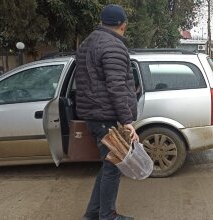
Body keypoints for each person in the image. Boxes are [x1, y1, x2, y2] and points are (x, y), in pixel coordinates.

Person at [75, 4, 138, 220]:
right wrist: (127, 120)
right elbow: (116, 86)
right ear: (123, 26)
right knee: (113, 166)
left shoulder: (87, 42)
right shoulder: (113, 46)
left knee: (108, 164)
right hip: (106, 117)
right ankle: (107, 215)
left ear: (102, 22)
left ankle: (93, 213)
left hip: (94, 114)